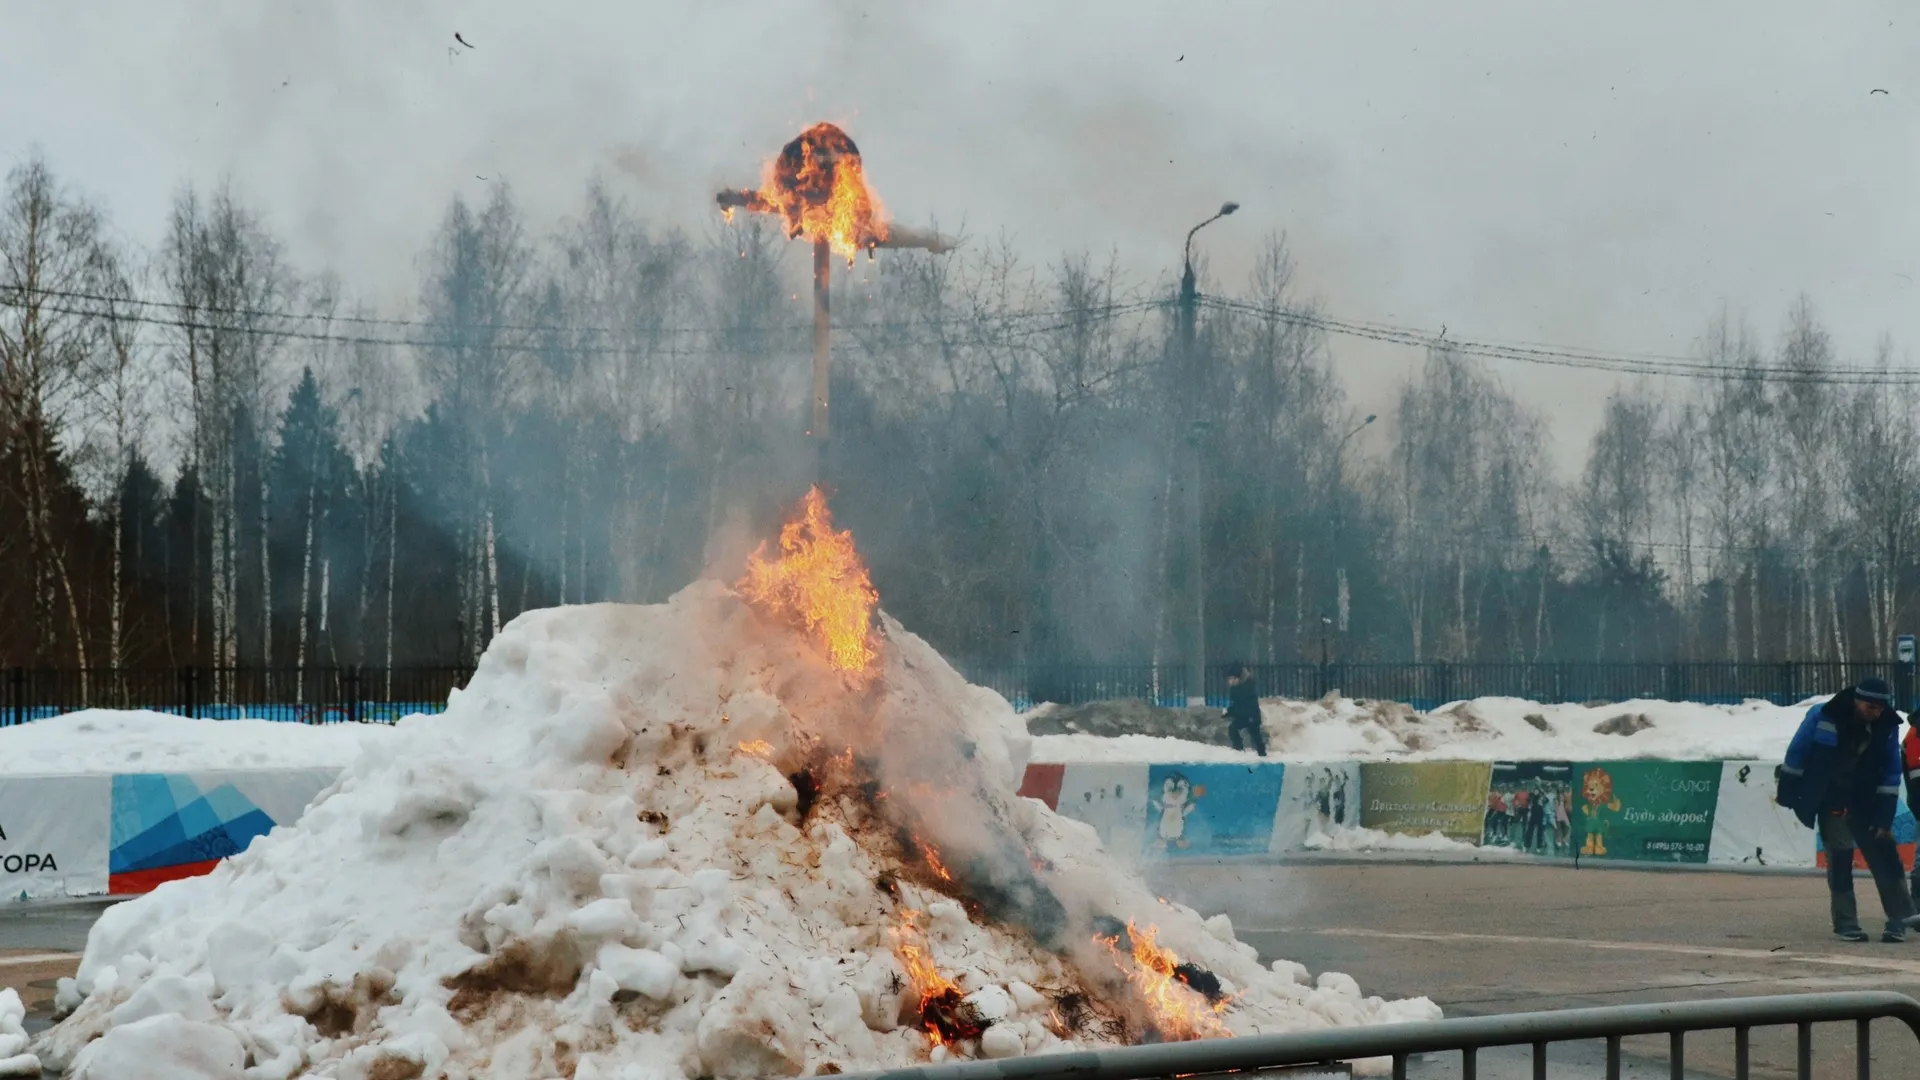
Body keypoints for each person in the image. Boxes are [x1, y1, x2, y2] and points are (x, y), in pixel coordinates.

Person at [1778, 677, 1917, 942]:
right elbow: (1797, 752)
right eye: (1869, 707)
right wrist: (1788, 792)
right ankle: (1846, 923)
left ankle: (1899, 919)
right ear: (1856, 700)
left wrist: (1883, 818)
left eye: (1879, 709)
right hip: (1833, 798)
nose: (1874, 713)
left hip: (1868, 800)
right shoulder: (1822, 715)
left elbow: (1890, 771)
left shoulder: (1887, 725)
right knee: (1840, 859)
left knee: (1885, 855)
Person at [1223, 664, 1266, 757]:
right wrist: (1229, 712)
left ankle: (1262, 754)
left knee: (1255, 734)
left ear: (1237, 678)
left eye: (1231, 679)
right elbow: (1236, 704)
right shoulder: (1235, 689)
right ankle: (1239, 750)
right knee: (1233, 728)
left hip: (1251, 716)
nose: (1229, 681)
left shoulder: (1248, 687)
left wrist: (1234, 712)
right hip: (1243, 715)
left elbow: (1248, 705)